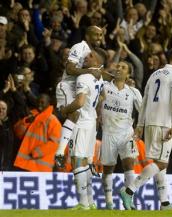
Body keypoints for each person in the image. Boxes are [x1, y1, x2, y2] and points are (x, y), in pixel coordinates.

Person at [119, 49, 172, 210]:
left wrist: (140, 124)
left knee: (159, 162)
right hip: (164, 122)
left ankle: (164, 203)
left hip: (150, 122)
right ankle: (129, 190)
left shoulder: (154, 74)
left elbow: (144, 102)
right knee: (162, 162)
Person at [59, 50, 104, 210]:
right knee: (85, 162)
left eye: (91, 56)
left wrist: (64, 110)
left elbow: (79, 102)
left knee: (77, 160)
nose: (86, 57)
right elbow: (102, 98)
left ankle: (83, 203)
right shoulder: (99, 78)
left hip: (81, 122)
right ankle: (90, 202)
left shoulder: (84, 77)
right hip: (91, 123)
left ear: (98, 60)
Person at [55, 26, 104, 168]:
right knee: (75, 112)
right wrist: (88, 71)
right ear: (88, 35)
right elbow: (69, 69)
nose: (99, 38)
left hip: (82, 90)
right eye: (96, 35)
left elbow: (98, 73)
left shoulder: (94, 54)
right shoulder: (79, 47)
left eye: (101, 35)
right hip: (68, 86)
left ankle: (89, 162)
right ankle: (59, 152)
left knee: (91, 119)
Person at [100, 61, 142, 210]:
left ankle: (130, 201)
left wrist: (139, 128)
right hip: (109, 132)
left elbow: (142, 111)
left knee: (129, 164)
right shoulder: (104, 86)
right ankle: (109, 202)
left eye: (123, 67)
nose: (119, 68)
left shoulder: (133, 92)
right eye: (117, 66)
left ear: (128, 74)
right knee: (108, 169)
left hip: (126, 133)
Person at [14, 94, 62, 172]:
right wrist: (26, 121)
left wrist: (36, 152)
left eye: (42, 102)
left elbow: (55, 143)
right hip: (25, 164)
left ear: (49, 104)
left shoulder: (53, 121)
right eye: (38, 102)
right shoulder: (32, 116)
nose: (39, 104)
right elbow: (17, 133)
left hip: (40, 167)